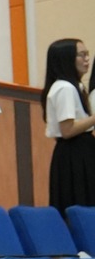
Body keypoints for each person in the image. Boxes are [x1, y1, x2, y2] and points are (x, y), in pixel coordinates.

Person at [44, 38, 95, 209]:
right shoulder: (65, 88)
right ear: (66, 59)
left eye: (87, 54)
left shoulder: (75, 86)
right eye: (81, 55)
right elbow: (67, 130)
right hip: (74, 154)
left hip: (80, 150)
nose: (87, 59)